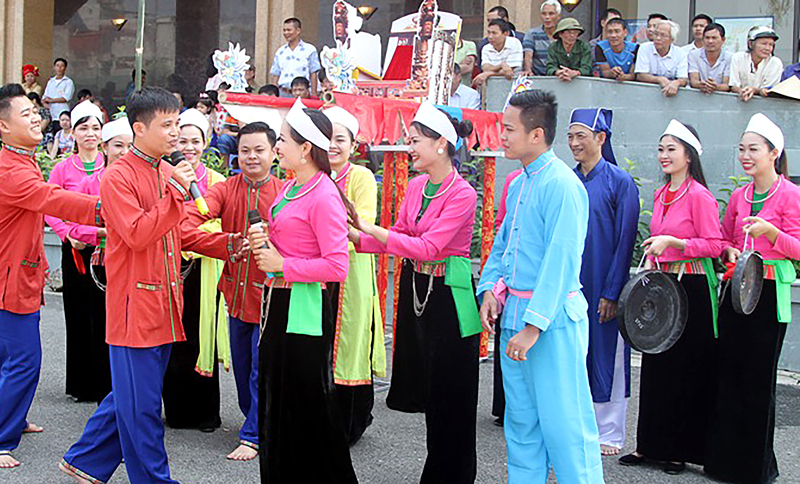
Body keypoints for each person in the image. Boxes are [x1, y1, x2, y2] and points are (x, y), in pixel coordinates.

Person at [59, 87, 246, 484]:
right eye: (167, 125)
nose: (176, 133)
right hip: (133, 309)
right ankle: (154, 479)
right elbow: (136, 233)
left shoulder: (165, 171)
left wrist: (229, 244)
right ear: (139, 128)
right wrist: (177, 194)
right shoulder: (118, 178)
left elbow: (180, 234)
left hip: (164, 304)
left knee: (129, 397)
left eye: (178, 122)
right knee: (142, 407)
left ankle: (85, 461)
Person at [349, 101, 479, 483]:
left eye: (415, 140)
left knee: (452, 396)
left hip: (451, 295)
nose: (410, 147)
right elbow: (403, 237)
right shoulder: (417, 185)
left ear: (441, 144)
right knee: (431, 395)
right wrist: (356, 237)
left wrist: (369, 230)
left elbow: (429, 248)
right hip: (418, 290)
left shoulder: (462, 194)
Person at [477, 89, 603, 483]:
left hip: (551, 325)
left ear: (536, 134)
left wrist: (533, 327)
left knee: (566, 427)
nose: (502, 136)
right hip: (514, 319)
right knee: (522, 429)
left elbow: (561, 261)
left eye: (509, 129)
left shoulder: (563, 185)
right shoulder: (517, 184)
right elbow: (503, 246)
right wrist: (490, 291)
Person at [247, 99, 357, 483]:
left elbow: (337, 266)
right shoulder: (292, 186)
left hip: (305, 304)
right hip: (278, 300)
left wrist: (284, 265)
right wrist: (263, 236)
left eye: (282, 140)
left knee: (308, 402)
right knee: (277, 400)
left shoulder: (324, 194)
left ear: (306, 148)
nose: (276, 147)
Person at [0, 83, 101, 470]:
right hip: (10, 278)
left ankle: (14, 415)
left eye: (34, 111)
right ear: (4, 126)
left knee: (11, 355)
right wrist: (107, 208)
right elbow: (54, 199)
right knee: (24, 360)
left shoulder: (22, 157)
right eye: (25, 114)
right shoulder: (13, 170)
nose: (35, 117)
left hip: (21, 270)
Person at [619, 120, 724, 475]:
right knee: (656, 366)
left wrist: (676, 244)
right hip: (664, 286)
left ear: (689, 156)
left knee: (684, 370)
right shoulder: (662, 193)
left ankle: (678, 450)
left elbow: (716, 244)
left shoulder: (700, 196)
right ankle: (649, 445)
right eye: (661, 149)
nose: (664, 155)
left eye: (671, 149)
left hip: (692, 289)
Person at [705, 114, 800, 484]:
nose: (745, 156)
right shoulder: (740, 196)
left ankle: (756, 469)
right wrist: (728, 252)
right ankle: (723, 463)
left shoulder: (790, 195)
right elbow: (727, 240)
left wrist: (771, 232)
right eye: (742, 149)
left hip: (769, 292)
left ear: (774, 153)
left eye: (753, 149)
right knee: (729, 376)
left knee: (758, 383)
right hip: (735, 291)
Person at [185, 121, 283, 461]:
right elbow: (191, 221)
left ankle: (254, 434)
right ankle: (257, 420)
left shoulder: (286, 192)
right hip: (236, 294)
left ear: (275, 153)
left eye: (259, 150)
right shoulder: (225, 189)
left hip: (272, 297)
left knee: (260, 367)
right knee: (241, 368)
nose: (251, 157)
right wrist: (226, 244)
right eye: (244, 150)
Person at [568, 108, 639, 457]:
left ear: (601, 138)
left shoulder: (619, 182)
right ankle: (579, 424)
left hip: (604, 279)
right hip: (572, 281)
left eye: (582, 135)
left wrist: (613, 291)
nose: (574, 143)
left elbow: (626, 241)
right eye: (570, 136)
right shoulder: (568, 180)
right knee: (574, 351)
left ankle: (610, 430)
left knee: (608, 353)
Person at [324, 106, 387, 446]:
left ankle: (352, 421)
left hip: (351, 270)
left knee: (350, 341)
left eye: (340, 139)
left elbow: (361, 222)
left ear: (353, 143)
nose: (333, 145)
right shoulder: (311, 175)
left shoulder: (361, 177)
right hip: (318, 272)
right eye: (328, 138)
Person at [162, 108, 227, 434]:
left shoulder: (216, 181)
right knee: (174, 337)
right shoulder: (164, 175)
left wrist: (194, 237)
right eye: (182, 140)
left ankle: (205, 413)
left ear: (205, 143)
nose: (188, 147)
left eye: (195, 140)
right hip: (171, 266)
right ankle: (175, 410)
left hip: (205, 268)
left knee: (205, 337)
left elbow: (219, 221)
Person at [44, 100, 108, 403]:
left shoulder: (111, 167)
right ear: (73, 133)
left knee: (105, 315)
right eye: (84, 128)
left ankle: (105, 382)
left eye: (95, 128)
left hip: (107, 249)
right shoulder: (61, 169)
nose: (90, 134)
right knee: (78, 313)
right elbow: (50, 207)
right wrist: (67, 233)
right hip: (76, 250)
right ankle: (82, 383)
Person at [71, 116, 135, 416]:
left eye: (129, 145)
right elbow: (75, 225)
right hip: (104, 265)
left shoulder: (141, 178)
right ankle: (105, 396)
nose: (124, 151)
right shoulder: (92, 181)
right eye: (117, 146)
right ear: (105, 147)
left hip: (135, 267)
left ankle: (130, 397)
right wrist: (104, 232)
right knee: (104, 330)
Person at [634, 20, 689, 97]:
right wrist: (659, 79)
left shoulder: (680, 53)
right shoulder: (644, 48)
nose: (658, 38)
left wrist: (676, 83)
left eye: (663, 35)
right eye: (656, 34)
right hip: (646, 95)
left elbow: (683, 79)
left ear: (672, 39)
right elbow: (640, 75)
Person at [270, 18, 321, 97]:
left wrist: (313, 94)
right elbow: (276, 75)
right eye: (284, 30)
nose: (286, 33)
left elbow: (313, 73)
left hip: (302, 94)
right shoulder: (280, 52)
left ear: (298, 31)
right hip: (283, 92)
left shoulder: (309, 50)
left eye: (289, 30)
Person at [730, 26, 783, 102]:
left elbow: (767, 91)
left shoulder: (775, 63)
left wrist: (754, 90)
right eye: (764, 44)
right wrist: (742, 91)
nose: (767, 48)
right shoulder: (738, 58)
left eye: (771, 44)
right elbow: (733, 85)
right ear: (750, 44)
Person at [473, 19, 523, 88]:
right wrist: (501, 65)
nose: (490, 37)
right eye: (489, 32)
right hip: (493, 86)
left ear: (506, 34)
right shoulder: (486, 48)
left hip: (513, 85)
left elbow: (510, 71)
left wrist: (488, 74)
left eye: (494, 33)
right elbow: (485, 67)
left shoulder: (514, 43)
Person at [688, 23, 732, 94]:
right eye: (707, 38)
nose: (710, 41)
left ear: (723, 40)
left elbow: (727, 85)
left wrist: (715, 87)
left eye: (714, 38)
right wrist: (703, 85)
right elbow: (693, 82)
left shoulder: (729, 57)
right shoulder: (694, 55)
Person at [522, 0, 561, 76]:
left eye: (551, 14)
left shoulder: (563, 34)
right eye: (544, 14)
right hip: (538, 75)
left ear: (559, 16)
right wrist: (528, 70)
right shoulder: (532, 34)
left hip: (559, 76)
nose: (547, 17)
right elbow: (528, 55)